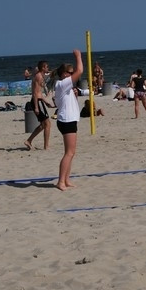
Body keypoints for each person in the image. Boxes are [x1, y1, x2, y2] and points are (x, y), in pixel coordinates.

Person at [54, 50, 83, 191]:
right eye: (70, 73)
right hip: (66, 121)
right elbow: (80, 70)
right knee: (69, 153)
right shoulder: (62, 84)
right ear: (64, 74)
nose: (72, 75)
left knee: (71, 152)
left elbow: (70, 102)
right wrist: (78, 56)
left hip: (70, 119)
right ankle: (60, 181)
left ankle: (66, 179)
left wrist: (75, 95)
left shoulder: (67, 86)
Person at [25, 61, 56, 150]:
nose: (48, 68)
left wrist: (46, 102)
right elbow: (35, 93)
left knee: (43, 125)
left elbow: (39, 93)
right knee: (47, 124)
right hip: (37, 101)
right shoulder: (38, 76)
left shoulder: (40, 76)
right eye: (46, 67)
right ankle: (46, 146)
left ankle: (29, 141)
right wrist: (36, 107)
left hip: (39, 101)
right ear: (43, 68)